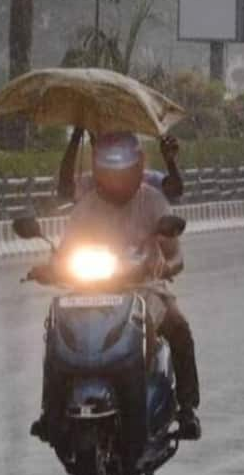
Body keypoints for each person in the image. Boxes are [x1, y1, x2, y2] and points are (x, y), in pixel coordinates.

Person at [31, 132, 201, 441]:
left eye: (124, 171)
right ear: (97, 170)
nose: (117, 179)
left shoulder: (152, 199)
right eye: (110, 171)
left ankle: (187, 408)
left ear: (138, 168)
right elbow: (67, 248)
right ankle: (50, 411)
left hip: (144, 288)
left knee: (179, 328)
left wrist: (164, 265)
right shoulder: (86, 205)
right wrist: (49, 268)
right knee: (55, 330)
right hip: (90, 290)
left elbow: (176, 256)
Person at [57, 127, 184, 204]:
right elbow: (65, 189)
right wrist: (76, 136)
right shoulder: (93, 183)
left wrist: (170, 161)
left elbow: (176, 190)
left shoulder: (147, 180)